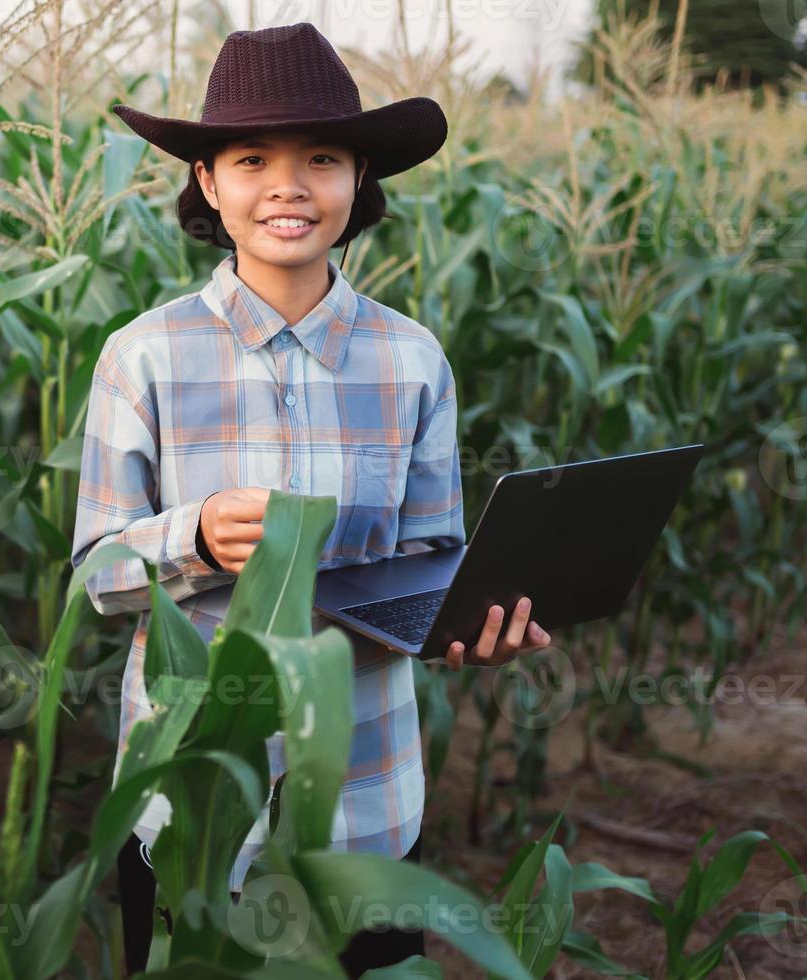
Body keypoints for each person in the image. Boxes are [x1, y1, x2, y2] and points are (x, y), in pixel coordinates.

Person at [71, 22, 552, 977]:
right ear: (209, 182)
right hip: (190, 810)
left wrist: (472, 622)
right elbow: (97, 577)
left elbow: (434, 560)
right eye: (252, 159)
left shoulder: (412, 360)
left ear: (359, 179)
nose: (288, 185)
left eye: (321, 159)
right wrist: (195, 536)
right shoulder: (145, 357)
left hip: (365, 808)